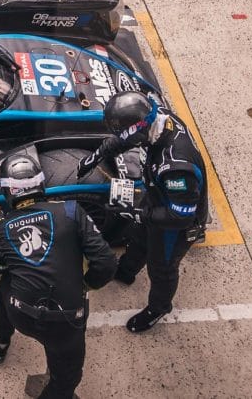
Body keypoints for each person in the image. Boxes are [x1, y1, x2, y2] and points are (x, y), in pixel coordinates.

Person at [76, 91, 208, 332]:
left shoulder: (176, 167)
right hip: (157, 197)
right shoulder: (156, 118)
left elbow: (180, 216)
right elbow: (124, 138)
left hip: (176, 223)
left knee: (162, 268)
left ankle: (158, 308)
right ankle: (126, 271)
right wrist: (97, 156)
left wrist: (138, 213)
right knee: (138, 238)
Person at [0, 155, 116, 399]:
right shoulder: (70, 211)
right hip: (67, 320)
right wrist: (86, 284)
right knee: (66, 380)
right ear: (41, 184)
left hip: (21, 313)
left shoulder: (0, 228)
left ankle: (1, 341)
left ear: (7, 191)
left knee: (6, 284)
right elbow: (107, 263)